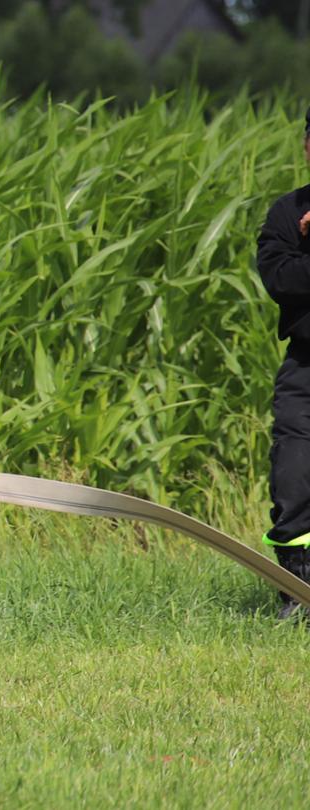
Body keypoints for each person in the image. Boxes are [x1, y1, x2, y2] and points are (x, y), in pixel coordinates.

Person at [254, 106, 310, 620]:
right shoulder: (286, 214)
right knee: (292, 478)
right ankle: (295, 590)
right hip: (305, 370)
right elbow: (282, 280)